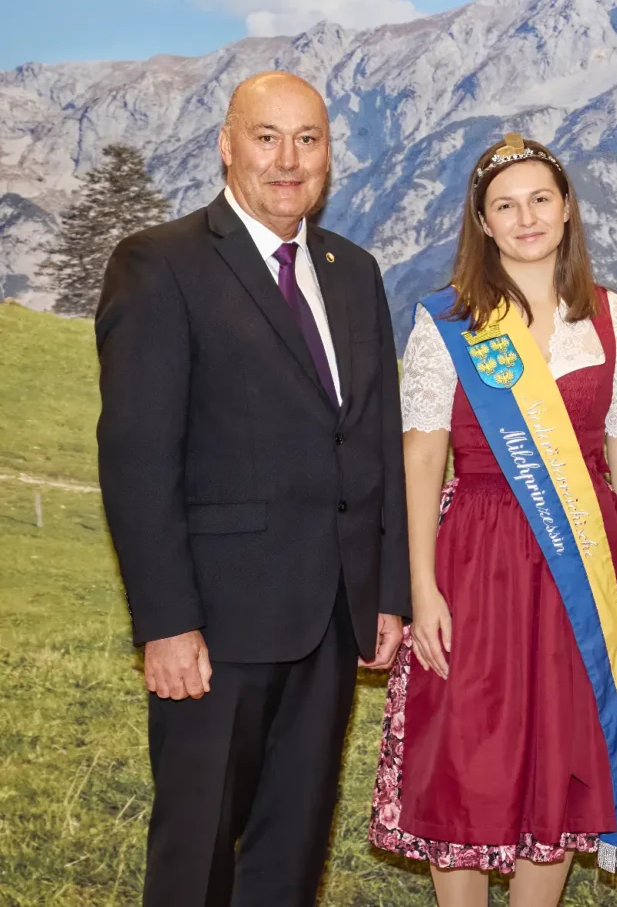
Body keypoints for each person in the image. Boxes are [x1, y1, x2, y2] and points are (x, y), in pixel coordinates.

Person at [95, 71, 410, 905]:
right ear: (227, 146)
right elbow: (136, 457)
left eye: (308, 139)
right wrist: (167, 622)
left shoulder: (354, 271)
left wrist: (387, 592)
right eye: (267, 137)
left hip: (332, 621)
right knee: (196, 853)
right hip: (215, 627)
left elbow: (375, 438)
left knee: (291, 854)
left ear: (330, 154)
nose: (288, 160)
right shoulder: (160, 264)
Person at [367, 133, 617, 907]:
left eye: (539, 200)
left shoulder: (609, 316)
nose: (526, 218)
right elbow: (421, 458)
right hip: (475, 558)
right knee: (465, 751)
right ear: (483, 223)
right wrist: (419, 588)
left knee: (558, 753)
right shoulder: (448, 321)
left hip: (578, 562)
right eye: (505, 206)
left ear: (567, 209)